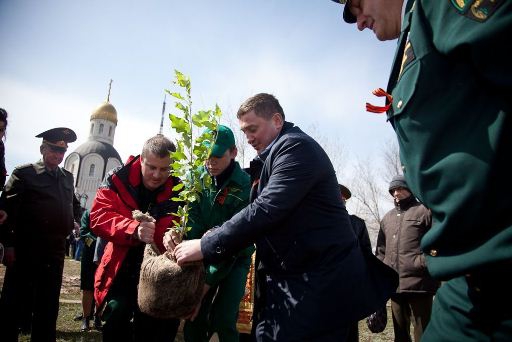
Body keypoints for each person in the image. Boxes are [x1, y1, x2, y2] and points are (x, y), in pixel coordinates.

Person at [332, 1, 512, 340]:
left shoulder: (441, 7)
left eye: (358, 4)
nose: (357, 22)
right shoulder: (412, 37)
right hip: (469, 279)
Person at [173, 93, 398, 341]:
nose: (249, 138)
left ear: (277, 120)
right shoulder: (272, 157)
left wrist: (206, 245)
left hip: (319, 286)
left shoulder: (296, 148)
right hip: (294, 283)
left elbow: (266, 209)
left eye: (253, 129)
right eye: (244, 131)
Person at [165, 124, 253, 342]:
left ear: (233, 152)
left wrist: (204, 286)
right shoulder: (196, 181)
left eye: (216, 156)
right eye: (206, 156)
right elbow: (192, 224)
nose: (210, 162)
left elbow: (232, 241)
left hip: (234, 259)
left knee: (224, 320)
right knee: (194, 316)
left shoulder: (244, 186)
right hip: (200, 256)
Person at [90, 135, 181, 342]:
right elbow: (98, 216)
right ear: (141, 159)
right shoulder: (117, 178)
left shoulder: (180, 189)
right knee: (115, 323)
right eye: (151, 167)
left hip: (158, 277)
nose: (157, 175)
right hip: (120, 269)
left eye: (164, 169)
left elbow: (184, 226)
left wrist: (173, 236)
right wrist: (133, 229)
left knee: (152, 330)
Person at [0, 127, 82, 341]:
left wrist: (74, 218)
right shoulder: (24, 174)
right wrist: (8, 246)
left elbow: (73, 204)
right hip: (26, 249)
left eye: (62, 152)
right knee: (14, 301)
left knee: (48, 304)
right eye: (54, 150)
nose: (58, 155)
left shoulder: (67, 177)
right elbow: (6, 212)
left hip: (54, 252)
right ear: (42, 149)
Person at [376, 175, 438, 342]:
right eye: (393, 190)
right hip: (394, 286)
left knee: (423, 333)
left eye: (400, 188)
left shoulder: (425, 211)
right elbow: (380, 251)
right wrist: (383, 274)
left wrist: (422, 263)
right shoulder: (387, 218)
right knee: (400, 334)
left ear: (410, 189)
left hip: (420, 283)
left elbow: (437, 243)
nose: (396, 193)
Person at [339, 183, 372, 342]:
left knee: (349, 332)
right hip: (322, 287)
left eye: (342, 197)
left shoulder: (357, 223)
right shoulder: (316, 220)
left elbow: (366, 255)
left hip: (349, 286)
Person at [78, 208, 102, 331]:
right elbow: (83, 232)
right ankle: (85, 318)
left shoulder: (111, 211)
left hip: (105, 255)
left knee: (102, 287)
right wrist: (96, 243)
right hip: (89, 254)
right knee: (87, 287)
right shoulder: (89, 212)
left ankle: (98, 317)